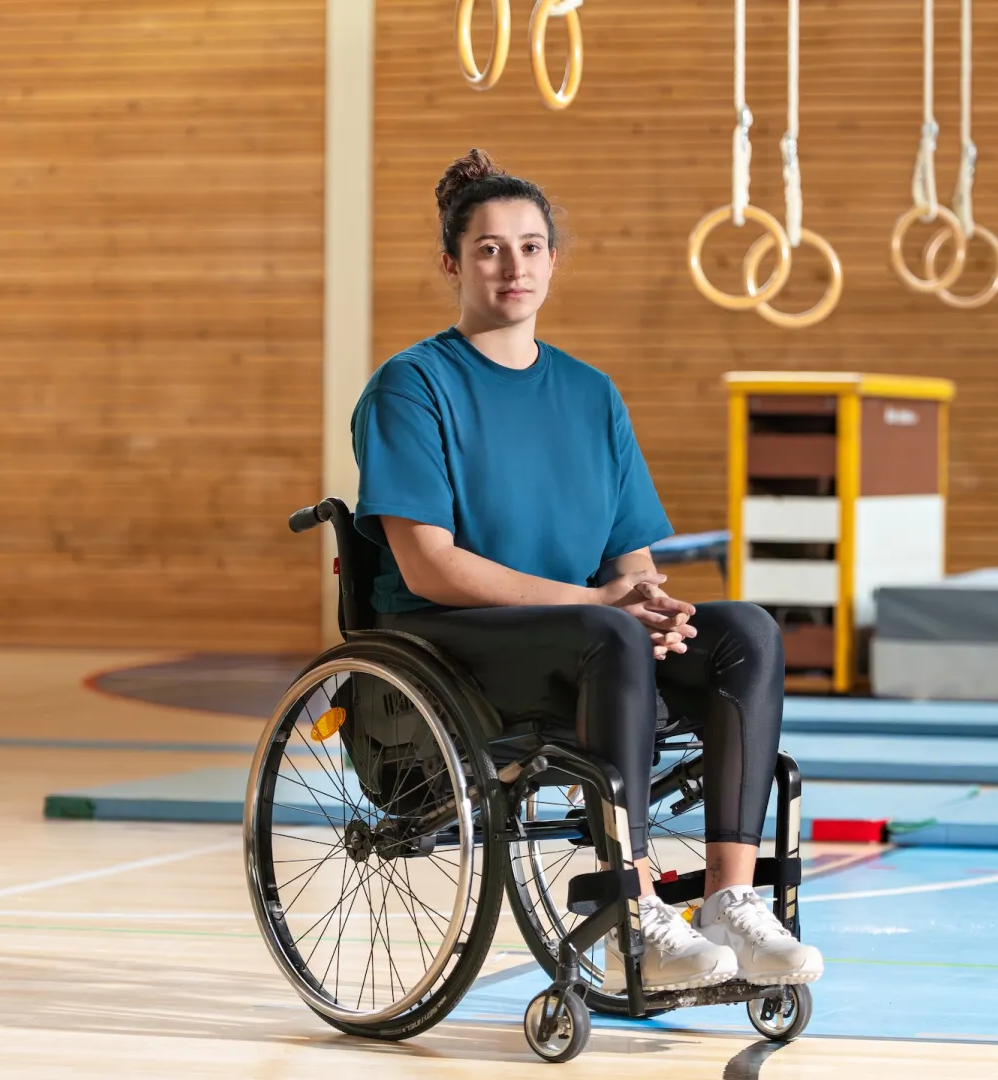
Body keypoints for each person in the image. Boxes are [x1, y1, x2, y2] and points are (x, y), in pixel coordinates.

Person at [350, 149, 822, 993]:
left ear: (553, 261)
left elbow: (627, 554)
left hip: (585, 629)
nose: (513, 266)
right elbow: (428, 565)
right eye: (490, 248)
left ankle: (730, 900)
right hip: (459, 640)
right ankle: (631, 914)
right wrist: (602, 604)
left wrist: (649, 601)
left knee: (743, 628)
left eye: (532, 246)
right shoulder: (411, 387)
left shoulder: (591, 393)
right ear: (452, 263)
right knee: (608, 630)